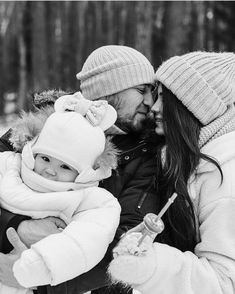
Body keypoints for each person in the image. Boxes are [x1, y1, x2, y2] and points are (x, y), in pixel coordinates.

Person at [0, 45, 161, 294]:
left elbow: (128, 243)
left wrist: (35, 278)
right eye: (142, 90)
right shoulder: (42, 126)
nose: (150, 102)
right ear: (110, 88)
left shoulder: (144, 155)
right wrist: (17, 225)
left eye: (152, 92)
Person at [109, 51, 235, 294]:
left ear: (192, 107)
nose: (154, 107)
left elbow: (225, 283)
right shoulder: (182, 157)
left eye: (165, 98)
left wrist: (152, 265)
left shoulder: (225, 175)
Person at [0, 92, 121, 293]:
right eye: (45, 158)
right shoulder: (10, 166)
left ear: (83, 174)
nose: (50, 170)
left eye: (65, 166)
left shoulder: (91, 200)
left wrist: (37, 266)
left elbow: (85, 241)